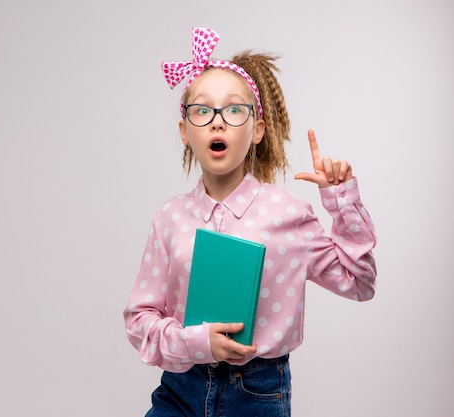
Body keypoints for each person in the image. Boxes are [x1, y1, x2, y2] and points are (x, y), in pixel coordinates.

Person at [123, 27, 377, 416]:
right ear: (185, 131)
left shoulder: (287, 213)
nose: (218, 122)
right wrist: (195, 342)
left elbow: (359, 283)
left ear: (257, 129)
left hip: (257, 393)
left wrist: (340, 201)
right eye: (202, 110)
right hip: (180, 390)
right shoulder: (170, 217)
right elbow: (140, 321)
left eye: (234, 110)